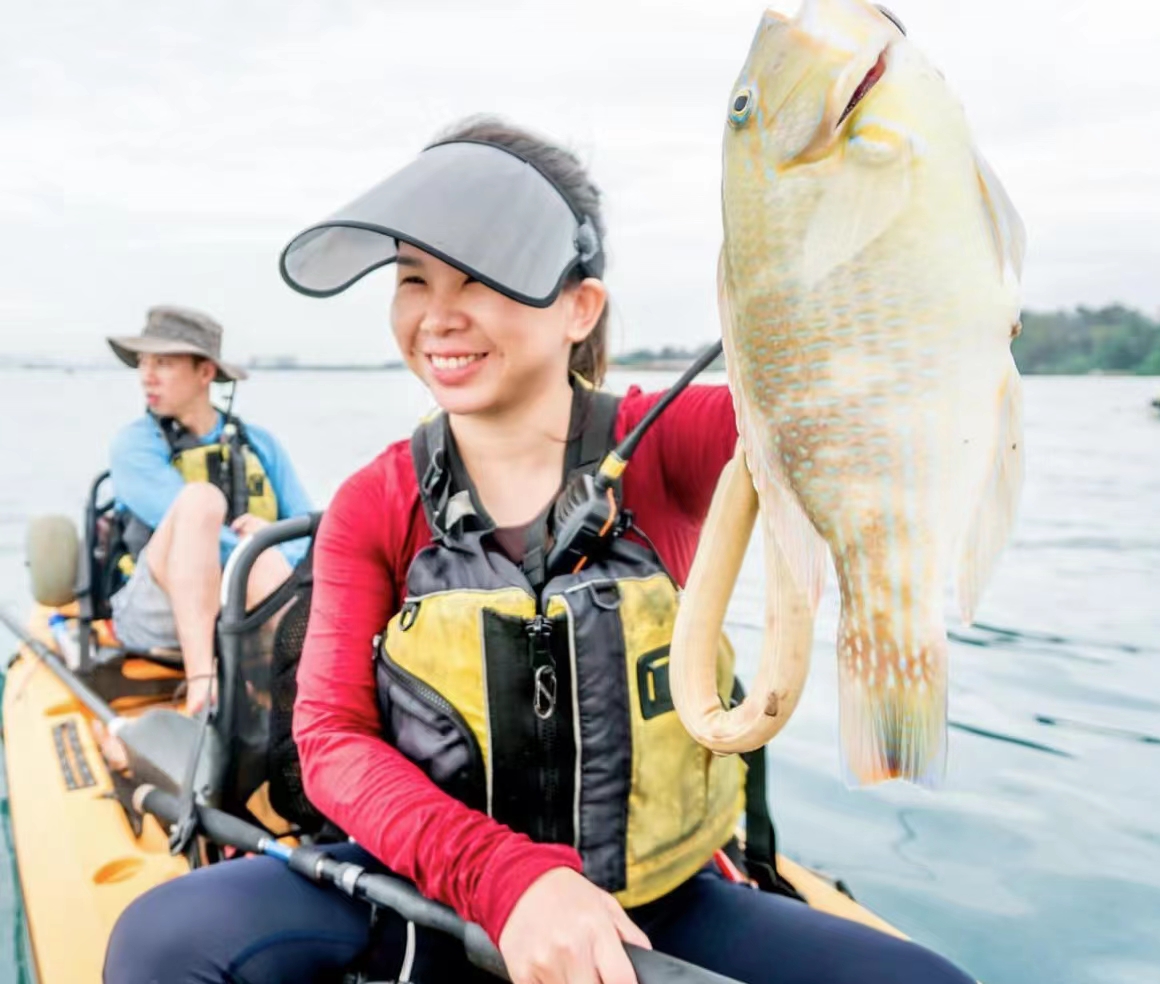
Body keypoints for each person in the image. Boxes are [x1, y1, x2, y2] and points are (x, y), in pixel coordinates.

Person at [103, 118, 975, 984]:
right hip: (428, 892)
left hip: (654, 903)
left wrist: (860, 169)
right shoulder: (378, 500)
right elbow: (330, 740)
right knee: (159, 941)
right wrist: (503, 878)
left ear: (578, 307)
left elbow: (858, 397)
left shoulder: (666, 441)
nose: (438, 315)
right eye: (413, 279)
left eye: (478, 276)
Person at [102, 306, 313, 721]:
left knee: (270, 552)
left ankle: (315, 696)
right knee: (201, 502)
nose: (147, 376)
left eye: (162, 363)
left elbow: (308, 532)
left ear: (204, 373)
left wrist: (270, 541)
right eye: (144, 363)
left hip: (247, 602)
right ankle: (203, 685)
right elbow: (189, 531)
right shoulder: (133, 446)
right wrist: (256, 549)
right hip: (154, 611)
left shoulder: (261, 444)